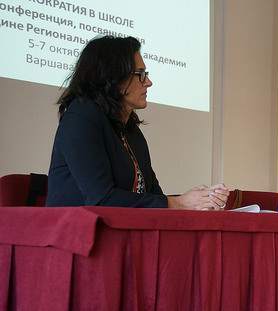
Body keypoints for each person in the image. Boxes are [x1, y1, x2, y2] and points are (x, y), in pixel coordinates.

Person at [46, 36, 229, 209]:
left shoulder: (130, 130)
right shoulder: (81, 117)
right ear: (113, 77)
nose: (148, 82)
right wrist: (180, 203)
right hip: (77, 230)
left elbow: (153, 196)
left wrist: (197, 201)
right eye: (140, 74)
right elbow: (101, 200)